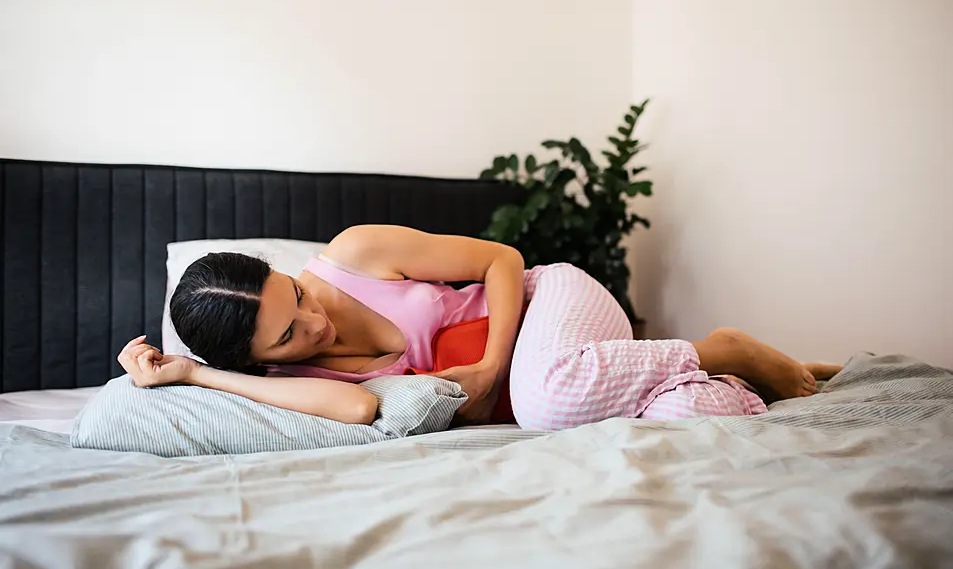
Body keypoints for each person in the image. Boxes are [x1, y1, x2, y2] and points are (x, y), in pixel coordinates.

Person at [117, 225, 842, 429]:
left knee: (546, 401)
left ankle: (716, 344)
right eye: (285, 334)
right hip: (560, 381)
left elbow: (502, 258)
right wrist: (196, 371)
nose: (311, 316)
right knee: (691, 422)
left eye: (292, 294)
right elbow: (360, 406)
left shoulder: (352, 253)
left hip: (547, 304)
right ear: (255, 360)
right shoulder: (292, 381)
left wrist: (495, 366)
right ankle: (722, 374)